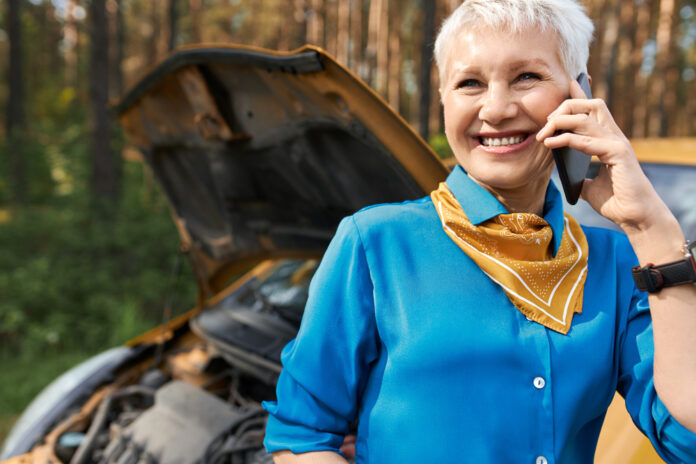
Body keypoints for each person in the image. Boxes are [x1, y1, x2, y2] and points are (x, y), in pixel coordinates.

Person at [262, 0, 696, 462]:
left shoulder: (616, 262)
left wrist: (652, 228)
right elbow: (301, 436)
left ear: (578, 93)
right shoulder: (375, 244)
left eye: (526, 77)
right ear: (445, 99)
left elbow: (685, 439)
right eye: (470, 83)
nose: (496, 108)